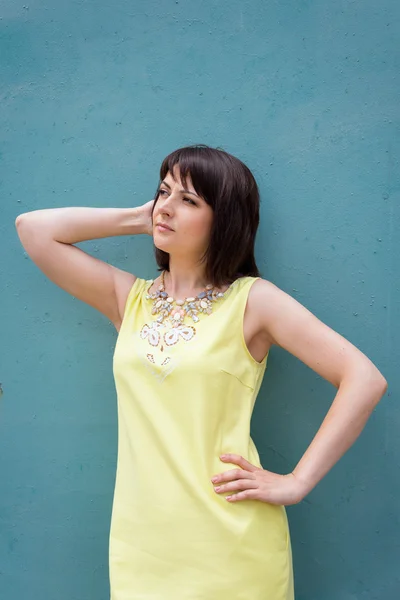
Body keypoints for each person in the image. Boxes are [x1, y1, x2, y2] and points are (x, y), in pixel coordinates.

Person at [15, 144, 387, 599]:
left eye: (189, 200)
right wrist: (144, 217)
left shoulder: (253, 301)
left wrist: (297, 481)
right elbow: (32, 229)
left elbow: (364, 378)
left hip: (231, 542)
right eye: (163, 191)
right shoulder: (127, 299)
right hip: (143, 544)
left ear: (223, 220)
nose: (167, 207)